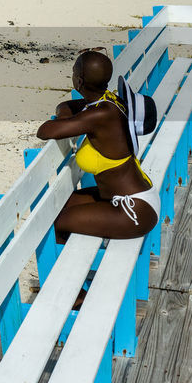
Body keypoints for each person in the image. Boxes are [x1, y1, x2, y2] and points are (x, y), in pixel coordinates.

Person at [36, 49, 159, 242]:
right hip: (125, 196)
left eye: (74, 71)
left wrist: (66, 120)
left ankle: (70, 271)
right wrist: (68, 117)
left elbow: (45, 131)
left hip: (133, 209)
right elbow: (67, 106)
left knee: (59, 221)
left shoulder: (99, 115)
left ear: (79, 81)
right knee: (59, 206)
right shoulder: (109, 100)